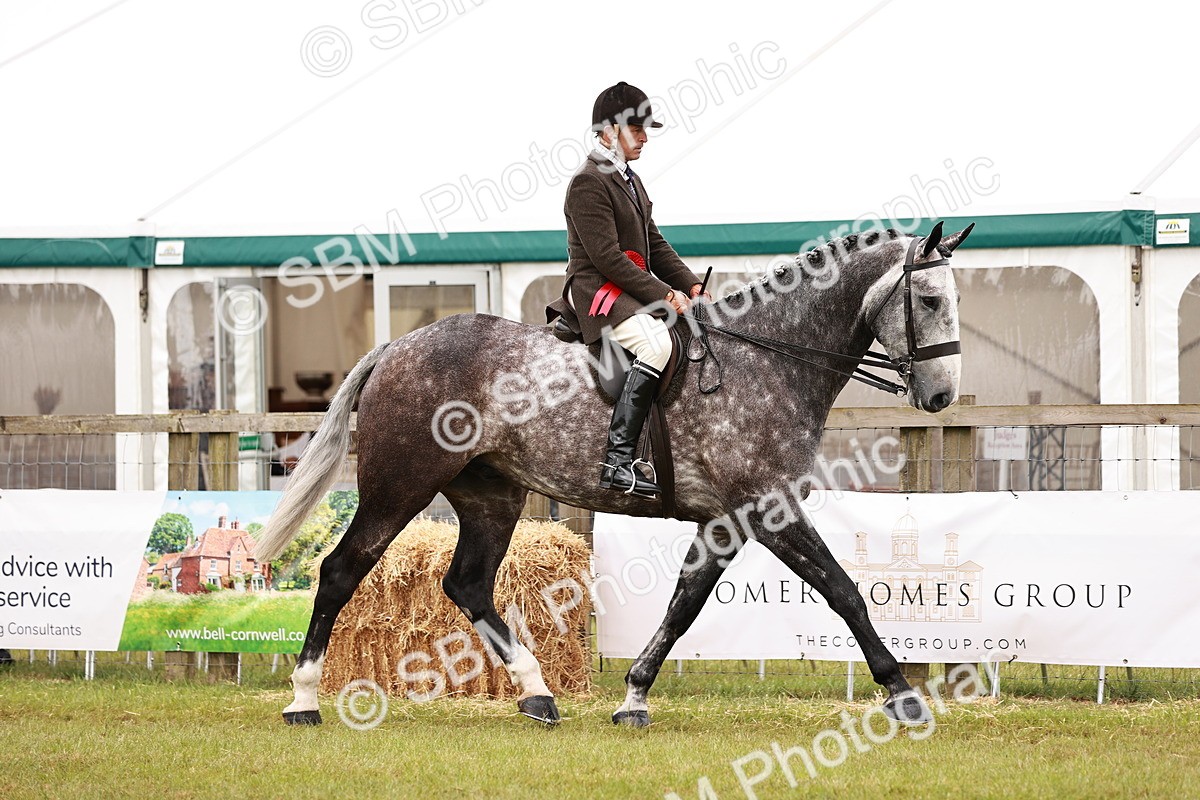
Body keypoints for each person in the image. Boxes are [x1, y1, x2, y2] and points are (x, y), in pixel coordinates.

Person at [547, 81, 709, 498]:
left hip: (629, 289)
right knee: (657, 345)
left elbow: (654, 243)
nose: (644, 137)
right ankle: (617, 462)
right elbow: (607, 258)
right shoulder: (588, 181)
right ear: (609, 130)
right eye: (636, 129)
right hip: (599, 292)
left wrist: (689, 283)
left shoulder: (630, 180)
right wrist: (664, 295)